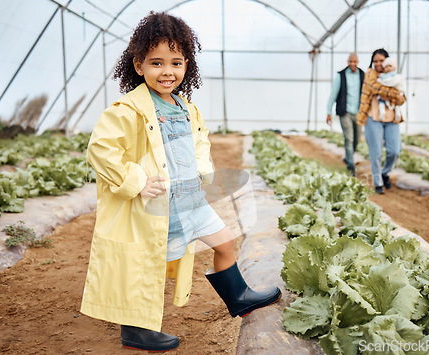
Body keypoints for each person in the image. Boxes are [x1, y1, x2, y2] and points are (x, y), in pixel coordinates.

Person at [80, 11, 281, 352]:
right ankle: (136, 328)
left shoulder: (187, 108)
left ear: (187, 65)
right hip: (156, 205)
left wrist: (201, 172)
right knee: (148, 265)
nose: (167, 71)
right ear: (138, 65)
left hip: (190, 200)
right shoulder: (128, 109)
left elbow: (200, 141)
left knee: (225, 241)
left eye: (176, 63)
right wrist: (137, 181)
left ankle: (239, 296)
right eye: (156, 63)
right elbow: (101, 150)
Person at [356, 49, 406, 194]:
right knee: (376, 153)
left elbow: (402, 98)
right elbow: (373, 87)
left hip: (391, 119)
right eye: (375, 61)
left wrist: (392, 95)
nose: (378, 64)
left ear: (387, 61)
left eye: (381, 61)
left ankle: (385, 172)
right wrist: (393, 93)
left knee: (395, 151)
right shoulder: (370, 74)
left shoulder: (394, 75)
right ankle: (378, 183)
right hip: (373, 118)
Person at [326, 53, 365, 176]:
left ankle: (348, 157)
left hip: (358, 112)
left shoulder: (362, 75)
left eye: (354, 62)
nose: (352, 64)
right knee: (349, 137)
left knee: (357, 139)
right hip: (345, 112)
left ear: (358, 62)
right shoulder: (340, 75)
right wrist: (328, 112)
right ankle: (351, 165)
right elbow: (333, 94)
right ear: (347, 62)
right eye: (350, 61)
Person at [377, 57, 404, 123]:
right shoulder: (385, 75)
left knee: (394, 102)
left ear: (394, 67)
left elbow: (386, 82)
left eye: (390, 66)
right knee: (382, 100)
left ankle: (397, 112)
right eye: (386, 66)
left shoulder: (395, 76)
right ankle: (383, 111)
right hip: (392, 95)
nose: (388, 68)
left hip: (395, 94)